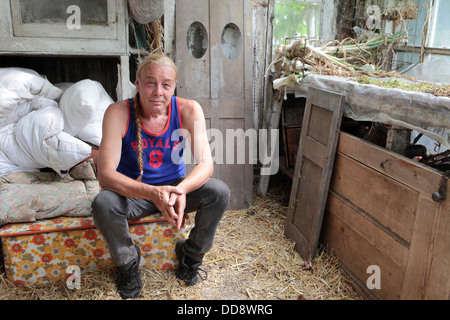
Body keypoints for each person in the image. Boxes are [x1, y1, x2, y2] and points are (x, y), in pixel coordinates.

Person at [91, 53, 230, 299]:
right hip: (133, 191)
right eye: (150, 82)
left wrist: (182, 190)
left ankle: (191, 256)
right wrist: (153, 193)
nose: (158, 91)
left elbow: (206, 164)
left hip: (175, 189)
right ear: (137, 82)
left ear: (174, 86)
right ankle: (128, 265)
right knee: (103, 203)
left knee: (219, 192)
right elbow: (105, 175)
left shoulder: (188, 109)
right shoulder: (117, 112)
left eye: (166, 84)